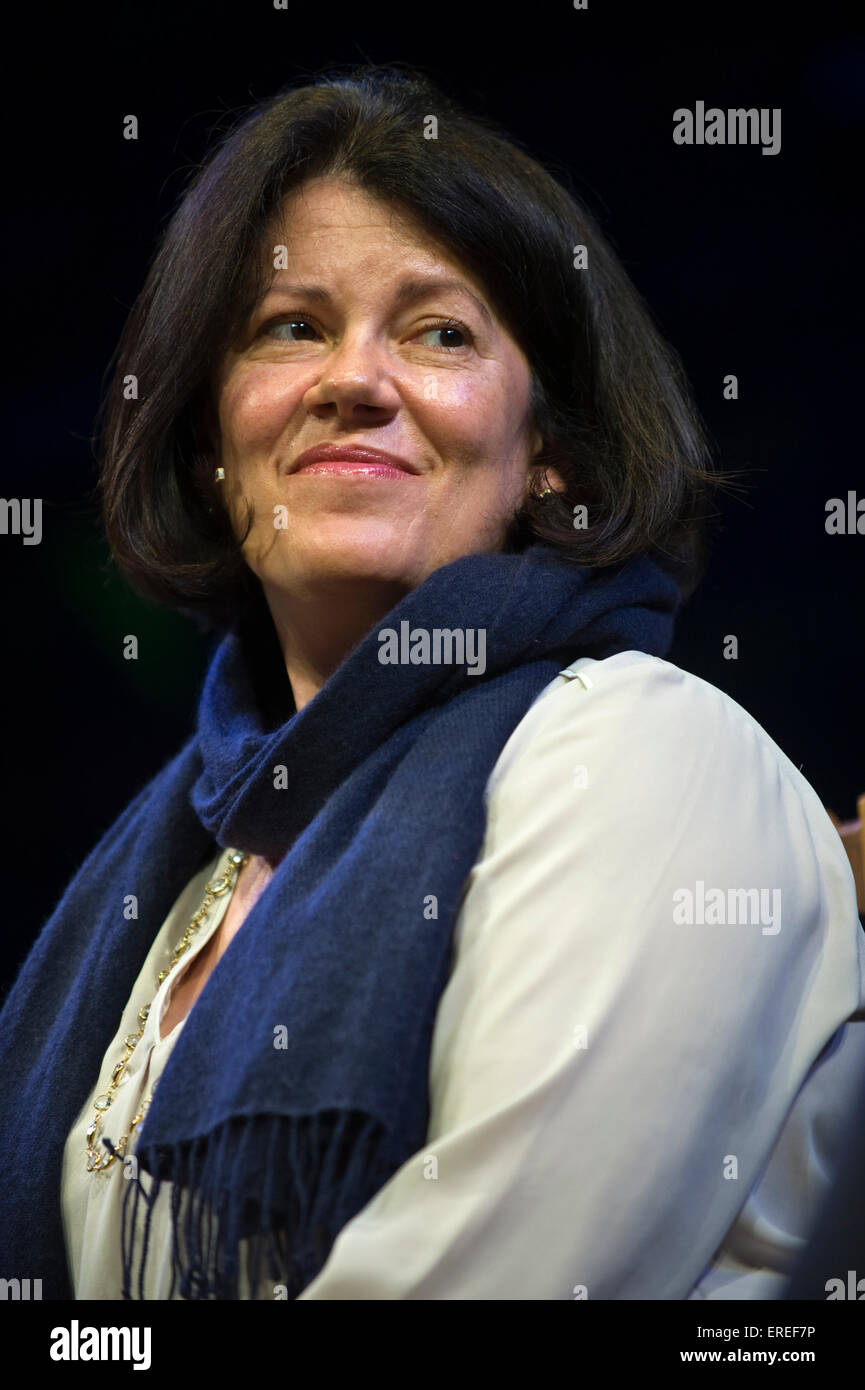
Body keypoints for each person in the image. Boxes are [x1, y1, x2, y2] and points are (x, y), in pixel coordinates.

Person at [1, 64, 862, 1302]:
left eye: (438, 331)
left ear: (550, 460)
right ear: (212, 451)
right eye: (291, 325)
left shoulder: (644, 751)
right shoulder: (187, 857)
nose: (352, 378)